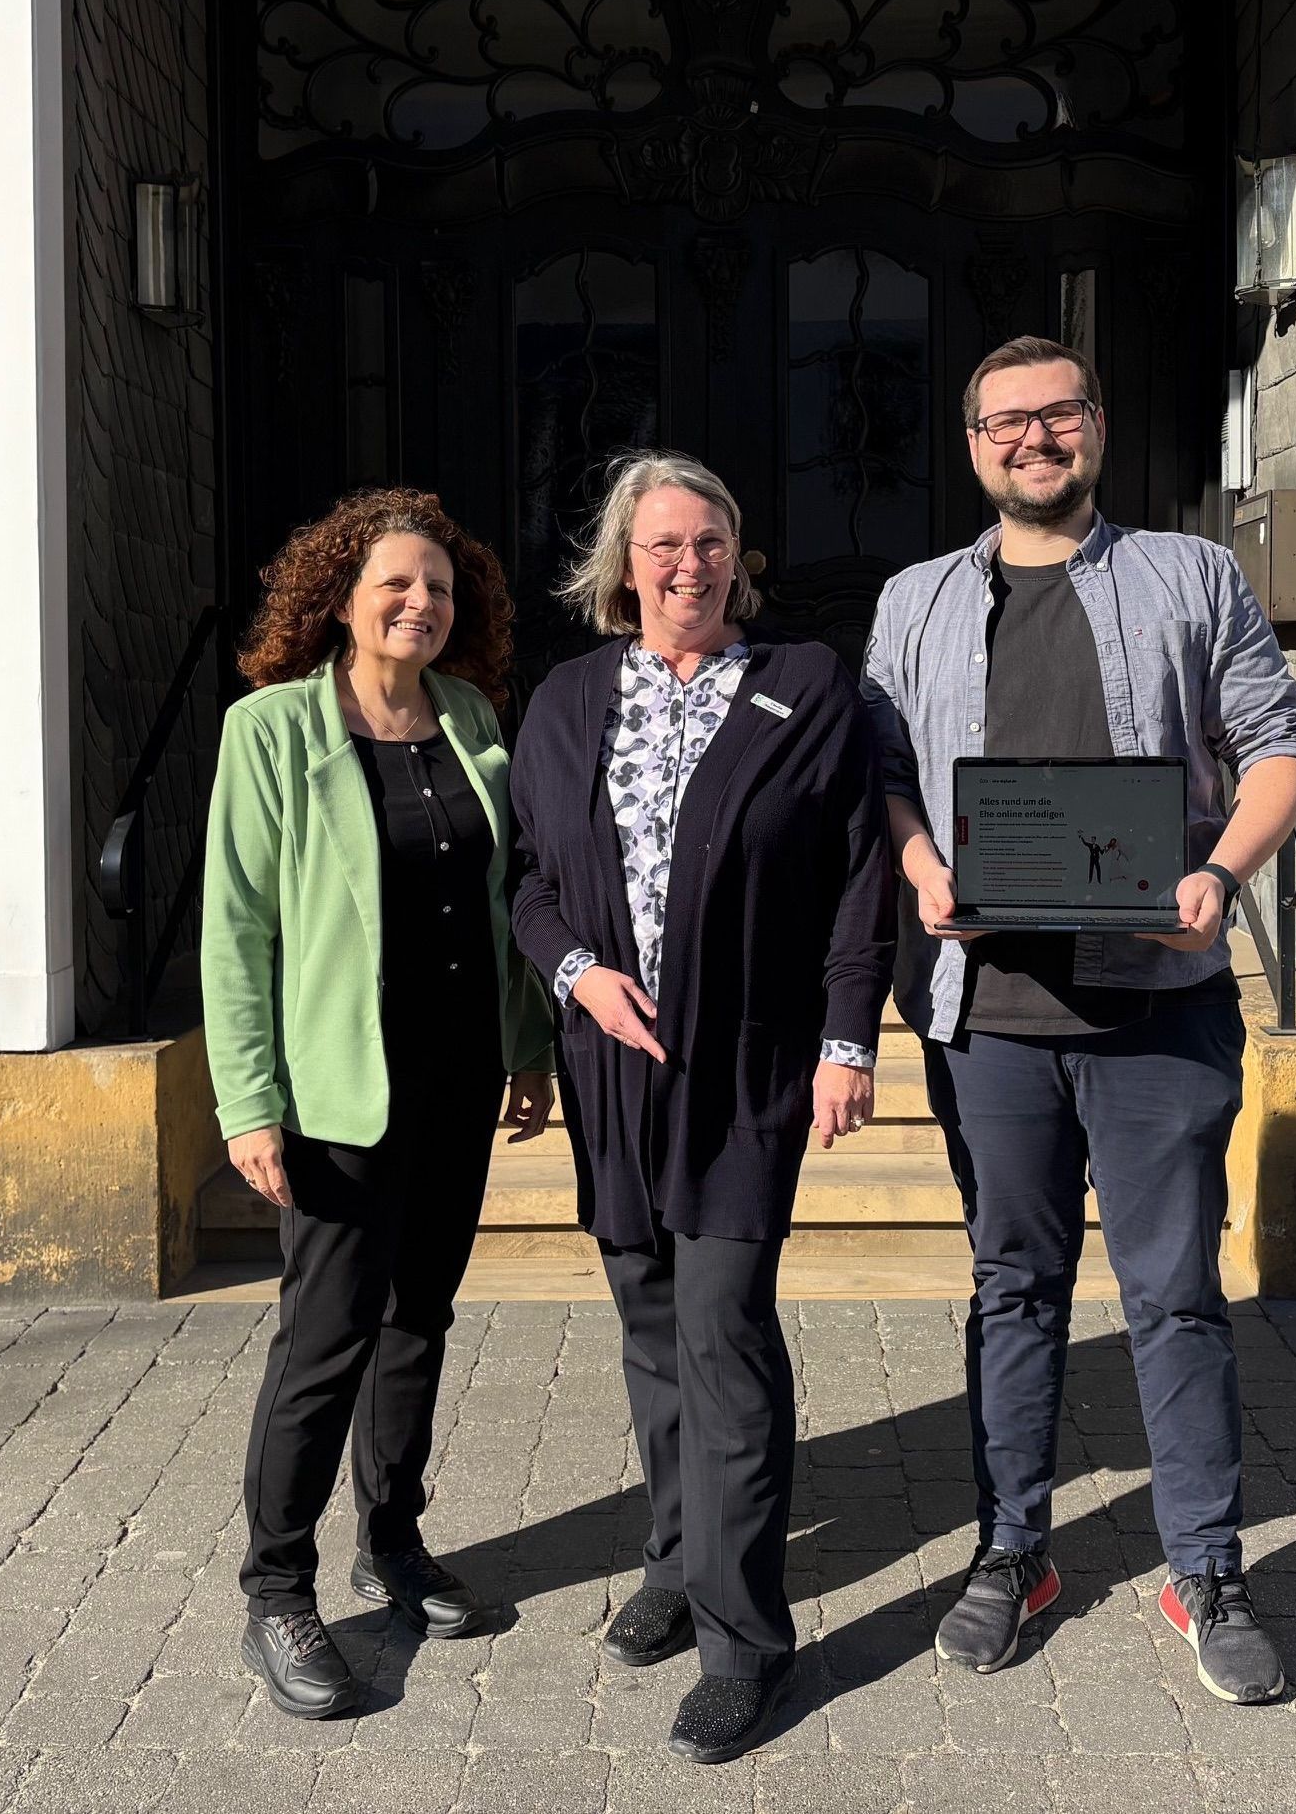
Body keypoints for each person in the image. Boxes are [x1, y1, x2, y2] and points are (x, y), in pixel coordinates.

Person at [860, 337, 1296, 1705]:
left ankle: (1207, 1565)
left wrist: (1218, 871)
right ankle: (1014, 1548)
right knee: (1013, 1285)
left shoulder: (1193, 575)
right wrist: (920, 863)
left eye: (1055, 412)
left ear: (1097, 424)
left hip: (1157, 1002)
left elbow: (1276, 742)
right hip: (985, 1013)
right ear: (972, 443)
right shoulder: (914, 600)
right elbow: (884, 773)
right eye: (1004, 420)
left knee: (1174, 1294)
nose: (1032, 437)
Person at [509, 451, 893, 1764]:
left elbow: (855, 879)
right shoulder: (563, 701)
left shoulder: (805, 686)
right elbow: (524, 879)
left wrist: (849, 1039)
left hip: (746, 1066)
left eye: (710, 539)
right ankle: (674, 1554)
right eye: (663, 543)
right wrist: (574, 972)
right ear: (621, 563)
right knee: (649, 1325)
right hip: (610, 1067)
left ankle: (745, 1640)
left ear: (739, 554)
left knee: (722, 1329)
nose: (688, 563)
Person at [202, 488, 556, 1720]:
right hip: (339, 1089)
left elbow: (503, 904)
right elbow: (235, 931)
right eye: (395, 584)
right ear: (338, 597)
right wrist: (247, 1103)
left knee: (420, 1320)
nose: (420, 603)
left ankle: (391, 1541)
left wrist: (526, 1046)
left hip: (455, 1077)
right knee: (327, 1335)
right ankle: (275, 1585)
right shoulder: (270, 731)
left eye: (442, 588)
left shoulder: (471, 719)